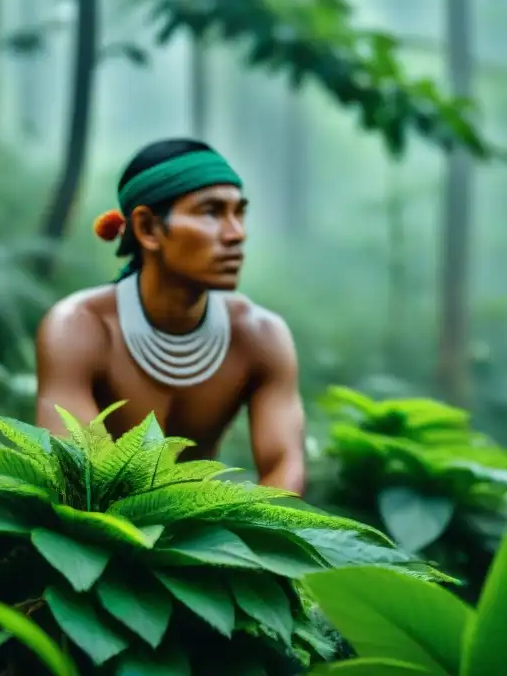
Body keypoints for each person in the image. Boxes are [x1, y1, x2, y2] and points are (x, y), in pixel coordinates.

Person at [35, 138, 306, 494]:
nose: (236, 234)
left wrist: (232, 542)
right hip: (98, 537)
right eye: (211, 212)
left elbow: (285, 468)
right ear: (147, 229)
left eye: (239, 212)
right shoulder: (80, 328)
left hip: (209, 538)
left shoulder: (260, 335)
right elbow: (74, 473)